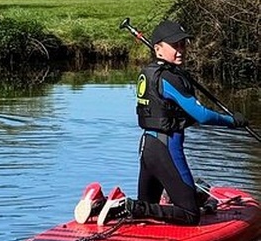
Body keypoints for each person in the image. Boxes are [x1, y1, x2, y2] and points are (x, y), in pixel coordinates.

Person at [96, 20, 248, 226]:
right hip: (167, 149)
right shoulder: (170, 78)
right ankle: (129, 206)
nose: (180, 50)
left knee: (147, 210)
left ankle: (101, 205)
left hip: (148, 148)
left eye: (183, 44)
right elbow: (202, 115)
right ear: (158, 48)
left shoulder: (148, 72)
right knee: (190, 214)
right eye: (174, 45)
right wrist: (232, 121)